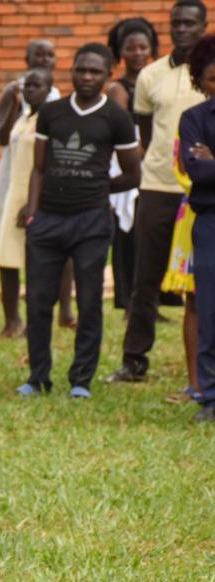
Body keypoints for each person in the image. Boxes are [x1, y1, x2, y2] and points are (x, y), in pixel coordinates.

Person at [18, 45, 141, 399]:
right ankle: (37, 377)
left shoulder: (117, 117)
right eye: (81, 70)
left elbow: (133, 173)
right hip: (48, 221)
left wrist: (99, 190)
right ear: (71, 71)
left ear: (107, 75)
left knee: (89, 302)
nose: (87, 77)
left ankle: (81, 381)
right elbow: (39, 169)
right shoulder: (52, 113)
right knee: (39, 300)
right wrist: (33, 213)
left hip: (92, 222)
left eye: (95, 72)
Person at [108, 0, 209, 384]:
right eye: (176, 23)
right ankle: (134, 361)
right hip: (157, 186)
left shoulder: (210, 73)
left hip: (204, 192)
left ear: (203, 26)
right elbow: (147, 135)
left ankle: (200, 372)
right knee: (145, 276)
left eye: (190, 23)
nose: (182, 29)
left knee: (200, 284)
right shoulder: (150, 76)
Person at [0, 40, 66, 337]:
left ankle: (47, 316)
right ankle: (12, 321)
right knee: (6, 256)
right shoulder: (19, 99)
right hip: (12, 185)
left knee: (42, 256)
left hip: (38, 192)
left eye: (51, 54)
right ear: (27, 57)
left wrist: (37, 200)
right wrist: (15, 102)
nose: (45, 58)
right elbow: (2, 137)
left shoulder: (58, 102)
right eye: (39, 54)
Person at [107, 19, 159, 313]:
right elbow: (122, 132)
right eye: (131, 48)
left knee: (145, 235)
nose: (138, 53)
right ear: (121, 52)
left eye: (143, 47)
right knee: (127, 234)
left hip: (153, 159)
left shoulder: (153, 82)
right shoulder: (119, 89)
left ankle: (147, 300)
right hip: (128, 160)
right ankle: (126, 299)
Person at [180, 33, 215, 422]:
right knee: (209, 308)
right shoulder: (193, 119)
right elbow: (198, 172)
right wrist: (207, 164)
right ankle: (209, 396)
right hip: (209, 223)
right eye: (212, 79)